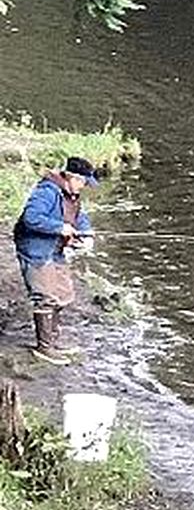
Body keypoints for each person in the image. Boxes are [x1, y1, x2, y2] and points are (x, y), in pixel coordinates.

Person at [13, 156, 98, 365]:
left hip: (56, 249)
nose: (85, 186)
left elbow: (80, 217)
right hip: (35, 249)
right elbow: (31, 218)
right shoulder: (47, 192)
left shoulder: (72, 194)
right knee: (45, 295)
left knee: (63, 293)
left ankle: (53, 342)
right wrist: (59, 227)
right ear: (73, 178)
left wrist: (86, 234)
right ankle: (44, 347)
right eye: (84, 182)